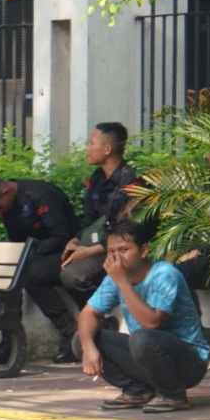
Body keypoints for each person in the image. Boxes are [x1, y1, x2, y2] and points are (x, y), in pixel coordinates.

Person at [81, 217, 210, 411]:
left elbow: (151, 323)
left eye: (124, 250)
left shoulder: (164, 274)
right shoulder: (115, 278)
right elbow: (88, 313)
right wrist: (88, 348)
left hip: (188, 363)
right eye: (111, 252)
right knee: (83, 337)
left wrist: (123, 282)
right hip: (148, 357)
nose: (116, 258)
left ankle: (173, 395)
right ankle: (137, 391)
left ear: (143, 251)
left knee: (142, 337)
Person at [0, 175, 82, 362]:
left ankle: (69, 331)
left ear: (5, 192)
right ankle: (6, 341)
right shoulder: (8, 204)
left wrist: (30, 254)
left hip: (65, 250)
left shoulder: (41, 196)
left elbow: (61, 235)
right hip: (36, 254)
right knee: (2, 274)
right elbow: (17, 240)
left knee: (29, 275)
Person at [60, 122, 143, 308]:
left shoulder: (131, 180)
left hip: (121, 249)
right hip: (97, 247)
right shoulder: (95, 179)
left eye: (91, 143)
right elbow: (90, 221)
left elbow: (132, 228)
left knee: (72, 276)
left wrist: (91, 250)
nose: (87, 148)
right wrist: (75, 240)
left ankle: (100, 321)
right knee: (45, 270)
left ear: (107, 149)